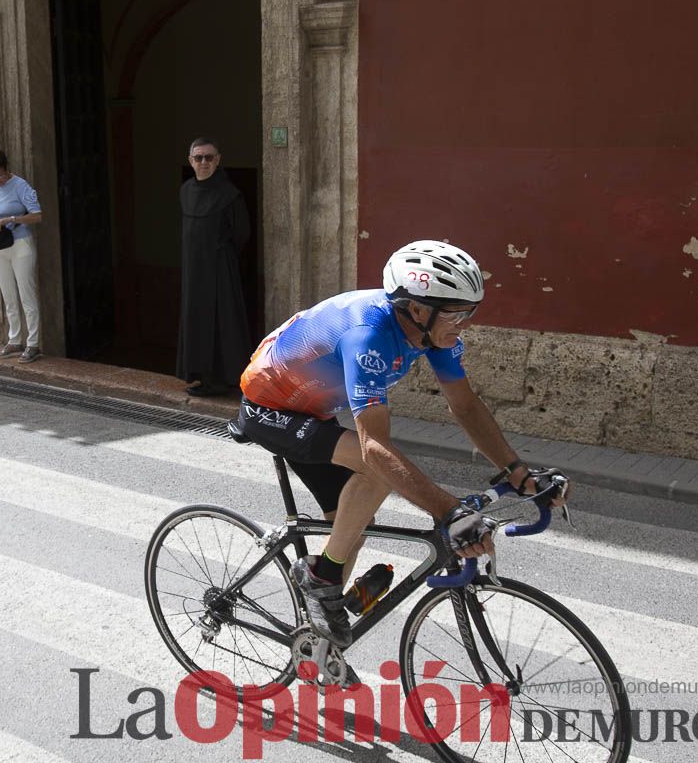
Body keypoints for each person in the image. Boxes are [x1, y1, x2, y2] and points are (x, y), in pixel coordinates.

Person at [236, 240, 569, 647]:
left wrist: (516, 471)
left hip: (314, 411)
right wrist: (450, 512)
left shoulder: (432, 335)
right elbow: (375, 447)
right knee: (374, 470)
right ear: (416, 308)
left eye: (470, 312)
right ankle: (321, 579)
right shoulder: (368, 336)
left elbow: (464, 405)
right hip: (268, 408)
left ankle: (317, 641)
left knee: (352, 525)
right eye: (455, 314)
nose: (463, 323)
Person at [177, 137, 252, 396]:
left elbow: (242, 233)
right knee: (196, 318)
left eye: (209, 157)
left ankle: (224, 380)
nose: (204, 162)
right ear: (191, 161)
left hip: (220, 269)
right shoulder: (186, 190)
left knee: (222, 321)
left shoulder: (229, 194)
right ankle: (200, 376)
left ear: (218, 160)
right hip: (193, 270)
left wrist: (221, 257)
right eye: (198, 158)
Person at [0, 150, 45, 363]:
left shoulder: (21, 186)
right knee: (8, 294)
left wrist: (12, 219)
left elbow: (37, 216)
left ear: (7, 169)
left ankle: (33, 344)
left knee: (26, 294)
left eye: (0, 176)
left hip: (21, 244)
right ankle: (14, 339)